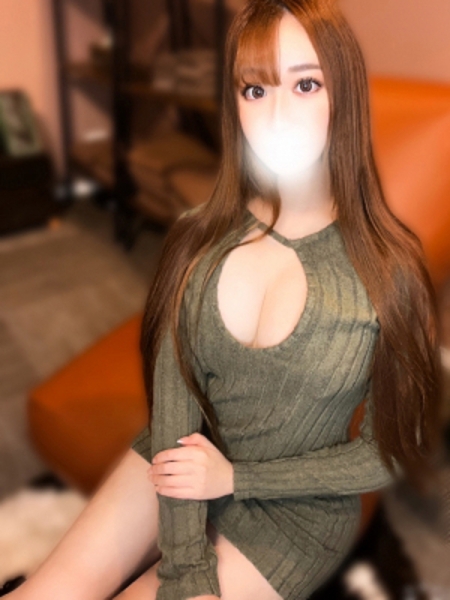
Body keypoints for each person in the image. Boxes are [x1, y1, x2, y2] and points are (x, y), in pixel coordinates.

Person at [9, 1, 444, 599]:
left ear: (343, 96)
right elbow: (174, 408)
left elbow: (387, 455)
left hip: (297, 515)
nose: (278, 114)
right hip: (186, 456)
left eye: (306, 84)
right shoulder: (197, 235)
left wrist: (235, 478)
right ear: (234, 105)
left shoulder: (391, 270)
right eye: (255, 90)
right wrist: (187, 566)